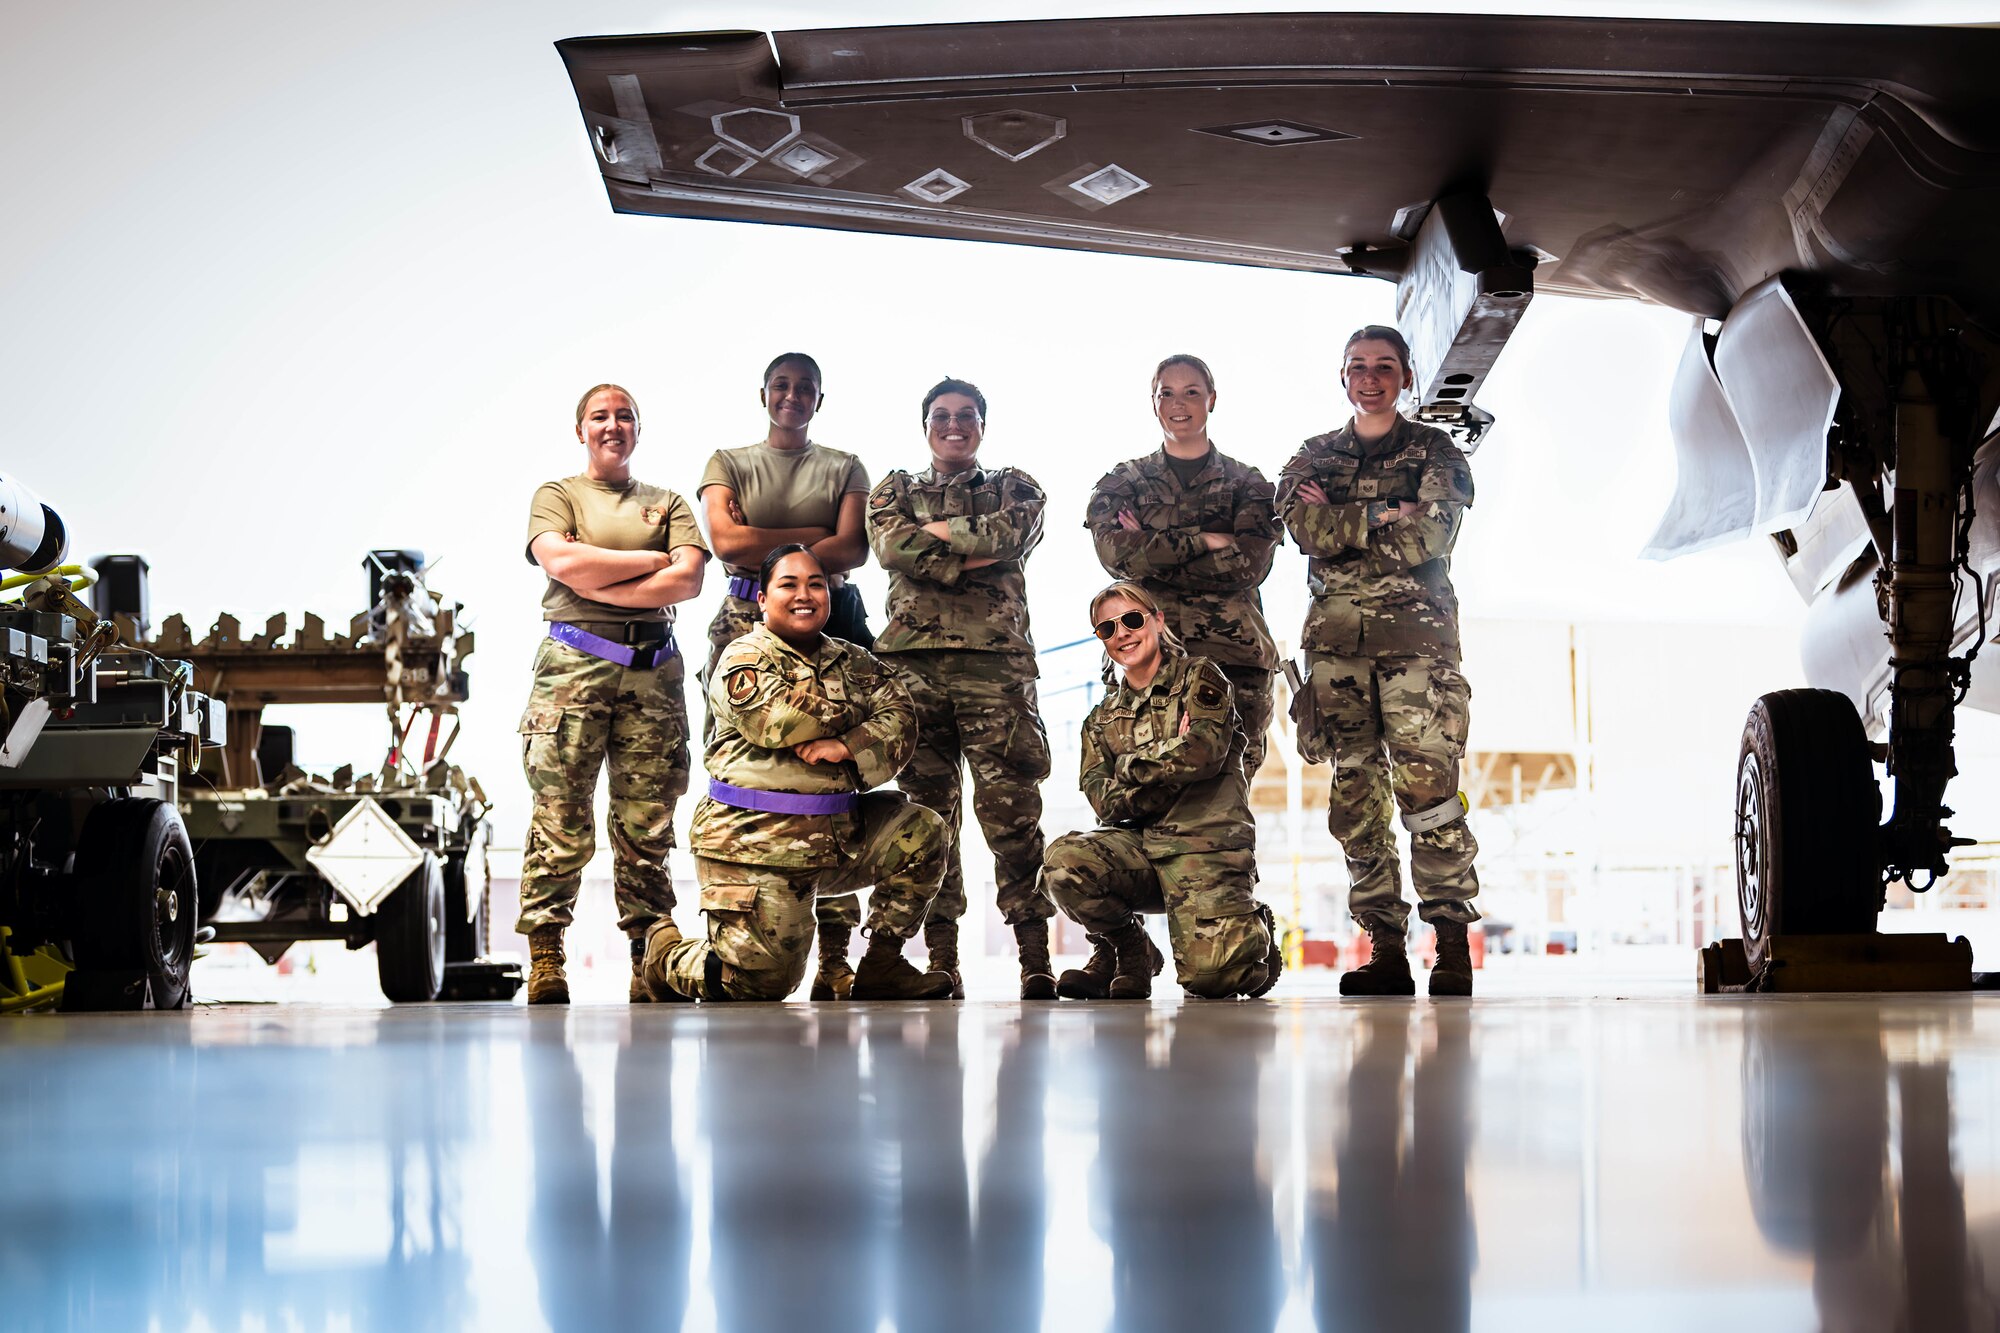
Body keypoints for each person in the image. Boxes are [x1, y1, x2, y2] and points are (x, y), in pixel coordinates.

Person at [640, 545, 955, 1001]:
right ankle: (665, 953)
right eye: (788, 584)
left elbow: (904, 721)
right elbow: (776, 720)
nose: (804, 594)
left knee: (923, 832)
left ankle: (882, 964)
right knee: (763, 983)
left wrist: (844, 745)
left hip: (837, 837)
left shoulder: (854, 661)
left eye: (815, 584)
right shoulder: (742, 656)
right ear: (763, 599)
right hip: (755, 844)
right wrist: (861, 722)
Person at [1274, 325, 1480, 998]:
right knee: (1356, 799)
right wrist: (1385, 512)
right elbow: (1301, 528)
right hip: (1335, 652)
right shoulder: (1312, 456)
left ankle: (1451, 944)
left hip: (1417, 649)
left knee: (1430, 796)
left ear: (1406, 377)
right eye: (1358, 366)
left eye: (1384, 366)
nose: (1370, 377)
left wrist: (1342, 519)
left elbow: (1433, 533)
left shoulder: (1435, 450)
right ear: (1343, 377)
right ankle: (1385, 947)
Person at [518, 383, 709, 1004]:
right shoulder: (558, 495)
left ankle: (648, 956)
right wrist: (649, 564)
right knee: (560, 813)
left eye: (624, 415)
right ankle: (546, 957)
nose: (612, 425)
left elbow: (689, 579)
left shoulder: (669, 501)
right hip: (574, 666)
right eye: (599, 416)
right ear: (582, 430)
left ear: (637, 428)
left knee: (647, 823)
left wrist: (600, 572)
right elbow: (561, 565)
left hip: (653, 671)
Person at [866, 377, 1055, 999]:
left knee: (1013, 815)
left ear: (982, 425)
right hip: (914, 674)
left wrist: (935, 540)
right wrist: (972, 546)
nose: (954, 424)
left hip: (996, 672)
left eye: (966, 415)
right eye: (942, 416)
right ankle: (941, 961)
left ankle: (1035, 960)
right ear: (926, 426)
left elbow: (1011, 535)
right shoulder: (893, 489)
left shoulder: (1015, 486)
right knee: (930, 820)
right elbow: (892, 546)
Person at [696, 353, 874, 997]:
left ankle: (835, 957)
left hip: (832, 617)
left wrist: (767, 542)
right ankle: (734, 931)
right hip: (743, 616)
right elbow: (724, 543)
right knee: (743, 765)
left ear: (819, 399)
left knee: (833, 775)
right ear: (764, 394)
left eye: (805, 388)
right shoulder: (729, 462)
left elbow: (855, 548)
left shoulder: (844, 464)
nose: (792, 396)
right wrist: (813, 537)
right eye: (781, 386)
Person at [1040, 581, 1281, 1000]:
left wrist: (1130, 766)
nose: (1122, 634)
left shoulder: (1200, 678)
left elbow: (1204, 752)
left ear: (1157, 620)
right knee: (1063, 864)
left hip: (1202, 846)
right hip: (1141, 848)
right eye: (1107, 629)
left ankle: (1254, 927)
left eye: (1132, 620)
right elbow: (1103, 800)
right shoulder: (1102, 718)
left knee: (1212, 982)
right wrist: (1170, 763)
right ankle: (1129, 951)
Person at [1084, 354, 1281, 777]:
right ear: (1153, 403)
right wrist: (1207, 539)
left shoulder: (1247, 483)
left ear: (1212, 399)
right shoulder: (1124, 482)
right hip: (1146, 657)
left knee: (1231, 786)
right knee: (1145, 781)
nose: (1180, 403)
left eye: (1192, 392)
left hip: (1233, 658)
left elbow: (1249, 565)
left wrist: (1151, 551)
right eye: (1167, 393)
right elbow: (1115, 555)